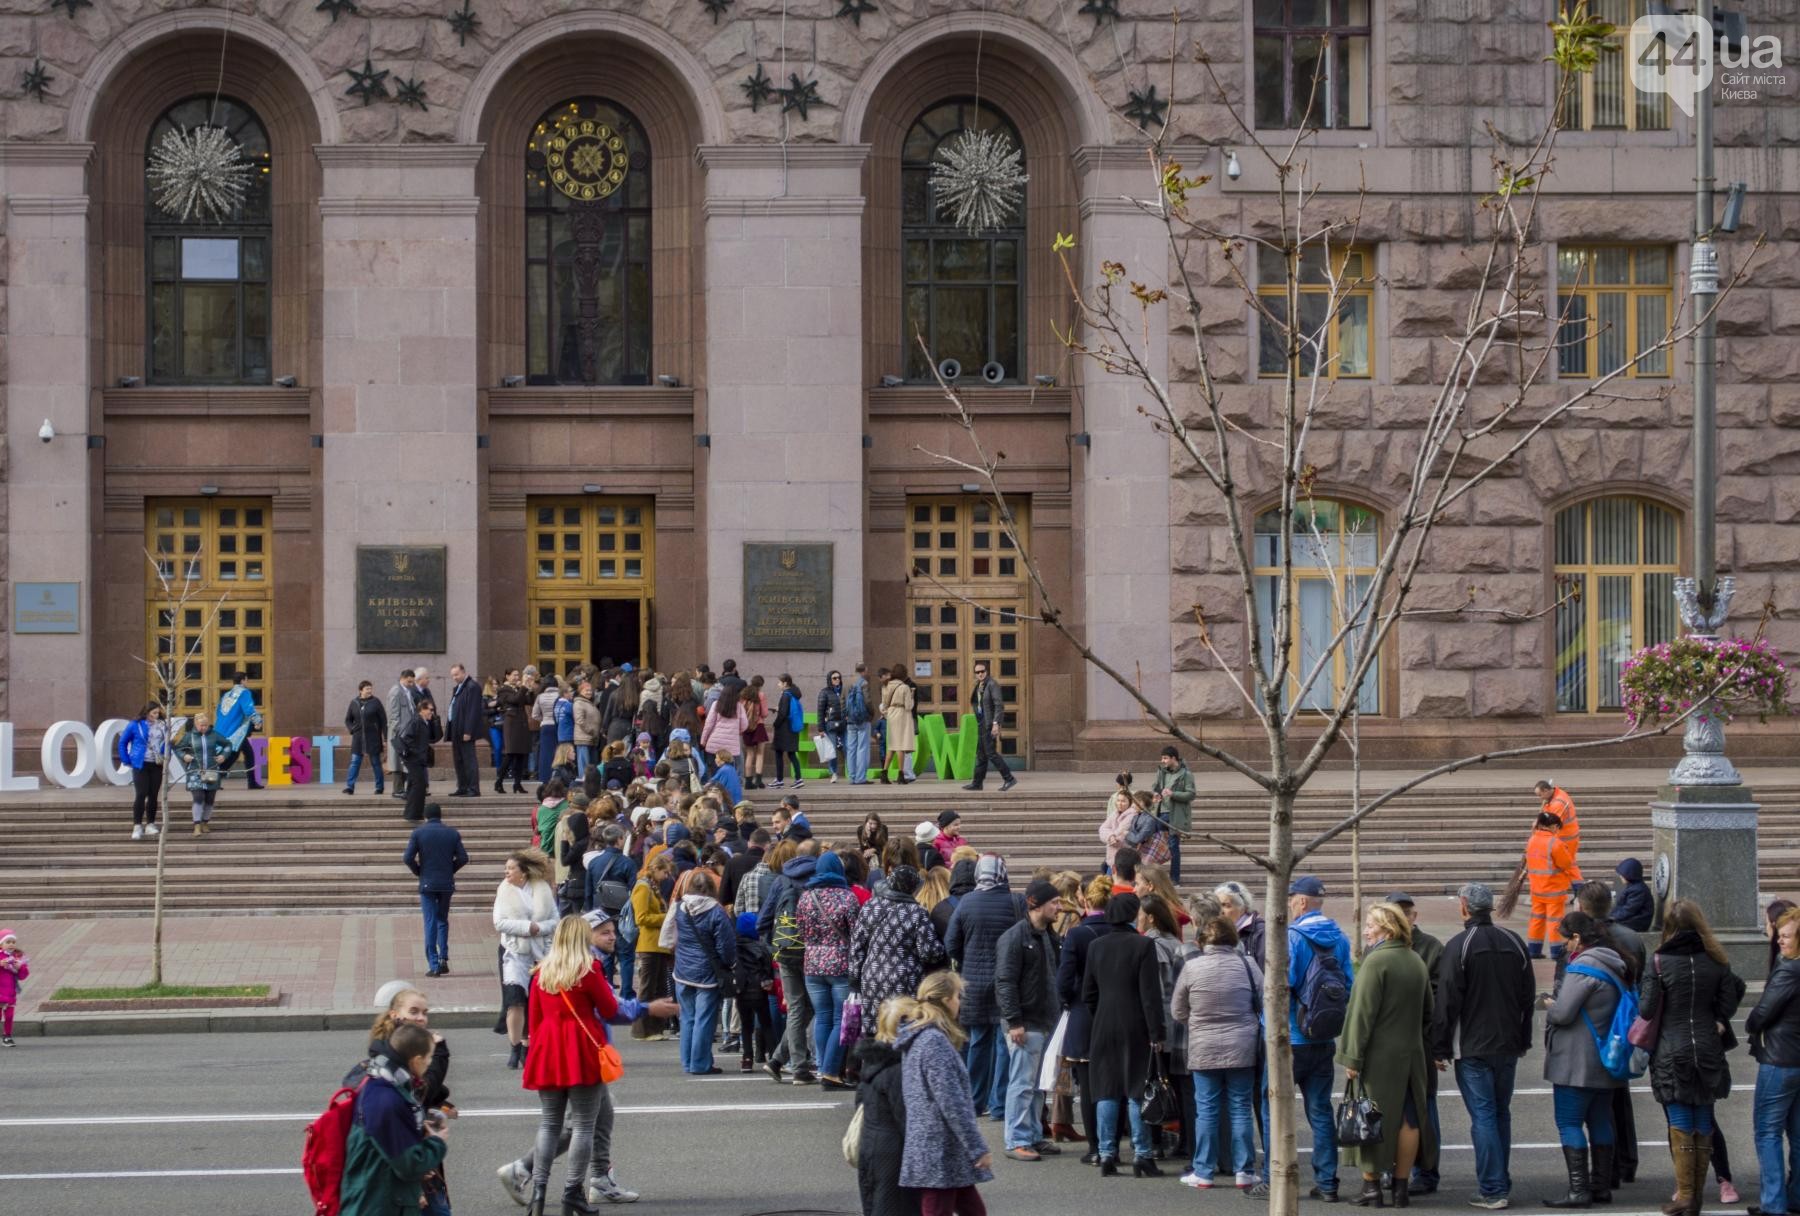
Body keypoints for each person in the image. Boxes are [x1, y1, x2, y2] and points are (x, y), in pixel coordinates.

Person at [1431, 881, 1534, 1211]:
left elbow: (1446, 1001)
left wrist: (1440, 1046)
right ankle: (1499, 1181)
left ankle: (1493, 1188)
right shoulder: (1513, 942)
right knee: (1500, 1114)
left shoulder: (1460, 945)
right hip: (1507, 1043)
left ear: (1464, 907)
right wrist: (1524, 1038)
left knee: (1485, 1116)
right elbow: (1526, 996)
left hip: (1473, 1045)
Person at [1642, 899, 1747, 1216]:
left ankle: (1686, 1196)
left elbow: (1646, 1009)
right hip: (1706, 1046)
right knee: (1703, 1119)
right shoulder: (1716, 959)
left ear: (1669, 927)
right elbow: (1730, 999)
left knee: (1680, 1120)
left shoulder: (1659, 961)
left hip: (1671, 1047)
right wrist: (1715, 1017)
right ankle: (1696, 1197)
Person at [1337, 902, 1436, 1209]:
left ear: (1387, 929)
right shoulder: (1415, 960)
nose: (1365, 930)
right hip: (1411, 1053)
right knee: (1408, 1118)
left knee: (1371, 1117)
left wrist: (1351, 1057)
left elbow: (1361, 1014)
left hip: (1378, 1055)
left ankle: (1371, 1187)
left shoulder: (1376, 962)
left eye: (1370, 925)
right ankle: (1401, 1187)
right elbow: (1428, 1012)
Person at [520, 916, 618, 1216]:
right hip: (581, 1050)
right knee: (583, 1127)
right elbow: (609, 1009)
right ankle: (572, 1192)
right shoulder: (589, 970)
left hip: (547, 1050)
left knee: (549, 1124)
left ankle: (538, 1193)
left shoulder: (540, 973)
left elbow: (534, 1021)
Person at [1541, 910, 1633, 1209]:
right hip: (1606, 1059)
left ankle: (1579, 1190)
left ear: (1577, 938)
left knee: (1569, 1122)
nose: (1564, 946)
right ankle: (1601, 1186)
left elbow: (1564, 1013)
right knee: (1599, 1120)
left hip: (1575, 1062)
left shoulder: (1583, 969)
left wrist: (1549, 1005)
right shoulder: (1616, 964)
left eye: (1565, 940)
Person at [1172, 915, 1263, 1190]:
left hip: (1203, 1045)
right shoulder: (1247, 964)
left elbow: (1177, 1010)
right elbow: (1264, 997)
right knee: (1240, 1108)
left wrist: (1198, 1023)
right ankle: (1244, 1169)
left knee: (1207, 1109)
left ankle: (1203, 1170)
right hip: (1243, 1044)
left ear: (1202, 942)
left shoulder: (1192, 967)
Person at [893, 971, 995, 1215]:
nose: (960, 1002)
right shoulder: (934, 1042)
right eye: (958, 996)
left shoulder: (918, 1037)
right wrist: (977, 1147)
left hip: (937, 1146)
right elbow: (952, 1102)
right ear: (947, 1000)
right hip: (940, 1149)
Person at [1081, 892, 1163, 1177]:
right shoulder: (1143, 945)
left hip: (1104, 1021)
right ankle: (1142, 1153)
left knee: (1107, 1089)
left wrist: (1099, 1012)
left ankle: (1106, 1154)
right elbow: (1150, 995)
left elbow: (1088, 993)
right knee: (1135, 1090)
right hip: (1136, 1022)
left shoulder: (1096, 946)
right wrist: (1157, 1031)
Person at [1287, 874, 1355, 1202]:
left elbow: (1282, 987)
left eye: (1290, 900)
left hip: (1292, 1039)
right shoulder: (1340, 938)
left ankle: (1279, 1179)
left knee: (1274, 1107)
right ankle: (1327, 1182)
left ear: (1301, 902)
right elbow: (1349, 986)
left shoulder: (1293, 937)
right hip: (1323, 1037)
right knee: (1320, 1109)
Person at [338, 1022, 448, 1216]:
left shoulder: (383, 1082)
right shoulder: (386, 1099)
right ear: (416, 1061)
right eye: (429, 1058)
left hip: (375, 1200)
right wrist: (436, 1143)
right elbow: (408, 1165)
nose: (430, 1063)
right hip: (377, 1206)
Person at [945, 855, 1024, 1121]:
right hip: (1007, 981)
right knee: (1004, 1042)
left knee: (978, 1041)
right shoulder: (1015, 902)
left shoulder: (967, 902)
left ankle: (974, 1101)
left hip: (974, 981)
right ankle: (999, 1104)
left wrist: (966, 960)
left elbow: (951, 943)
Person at [993, 878, 1064, 1162]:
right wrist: (1014, 1021)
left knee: (1036, 1084)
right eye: (1054, 903)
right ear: (1036, 904)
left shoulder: (1046, 935)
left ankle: (1032, 1135)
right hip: (1027, 1020)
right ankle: (1018, 1139)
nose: (1059, 907)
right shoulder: (1015, 938)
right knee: (1023, 1083)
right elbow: (1005, 981)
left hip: (1044, 1018)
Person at [1389, 892, 1446, 1197]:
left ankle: (1426, 1171)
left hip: (1420, 1042)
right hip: (1395, 1042)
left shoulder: (1431, 947)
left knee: (1424, 1108)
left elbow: (1438, 1001)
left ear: (1413, 916)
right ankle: (1396, 1169)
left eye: (1403, 915)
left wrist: (1438, 1045)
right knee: (1395, 1108)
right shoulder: (1382, 947)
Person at [1747, 907, 1800, 1216]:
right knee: (1797, 1132)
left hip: (1780, 1059)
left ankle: (1773, 1203)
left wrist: (1752, 1025)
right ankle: (1794, 1197)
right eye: (1779, 935)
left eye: (1786, 936)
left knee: (1766, 1132)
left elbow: (1761, 1014)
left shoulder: (1789, 970)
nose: (1780, 941)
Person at [759, 839, 821, 1083]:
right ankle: (799, 1068)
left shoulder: (781, 880)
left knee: (798, 1008)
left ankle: (777, 1060)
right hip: (813, 951)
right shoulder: (818, 879)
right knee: (809, 1008)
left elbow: (762, 920)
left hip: (785, 952)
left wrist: (773, 946)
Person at [798, 851, 861, 1089]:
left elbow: (801, 929)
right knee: (840, 1018)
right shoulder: (848, 897)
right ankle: (831, 1071)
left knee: (822, 1017)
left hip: (812, 962)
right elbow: (856, 932)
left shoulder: (806, 897)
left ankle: (824, 1066)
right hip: (840, 962)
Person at [850, 864, 947, 1015]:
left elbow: (857, 946)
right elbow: (928, 952)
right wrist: (943, 948)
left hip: (871, 976)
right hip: (905, 979)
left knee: (878, 1028)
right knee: (901, 1026)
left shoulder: (870, 906)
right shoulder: (917, 912)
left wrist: (854, 978)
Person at [493, 850, 558, 1070]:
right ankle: (514, 1047)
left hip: (540, 953)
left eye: (511, 868)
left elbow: (555, 921)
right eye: (506, 868)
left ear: (524, 871)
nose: (506, 872)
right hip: (513, 952)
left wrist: (540, 928)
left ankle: (528, 1044)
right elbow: (499, 923)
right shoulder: (504, 891)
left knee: (535, 1003)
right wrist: (526, 928)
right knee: (515, 1002)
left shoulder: (542, 890)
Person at [854, 999, 918, 1216]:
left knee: (875, 1204)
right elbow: (906, 1119)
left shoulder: (873, 1062)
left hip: (871, 1146)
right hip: (895, 1153)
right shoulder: (899, 1069)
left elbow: (860, 1106)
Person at [669, 868, 735, 1076]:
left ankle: (687, 1061)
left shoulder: (679, 907)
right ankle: (700, 1063)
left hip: (683, 969)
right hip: (707, 971)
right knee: (704, 1019)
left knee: (687, 1017)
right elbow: (725, 945)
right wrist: (729, 965)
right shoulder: (716, 911)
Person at [404, 804, 468, 977]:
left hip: (427, 883)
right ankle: (443, 958)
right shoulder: (452, 833)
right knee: (442, 920)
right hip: (446, 883)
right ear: (440, 816)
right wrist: (450, 869)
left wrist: (419, 871)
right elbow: (463, 857)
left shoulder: (418, 833)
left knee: (430, 921)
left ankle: (433, 964)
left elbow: (407, 857)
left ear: (425, 816)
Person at [628, 853, 674, 1040]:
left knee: (659, 989)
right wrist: (667, 917)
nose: (666, 876)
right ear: (655, 869)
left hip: (658, 945)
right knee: (647, 989)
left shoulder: (653, 887)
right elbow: (641, 918)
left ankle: (656, 1029)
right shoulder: (643, 888)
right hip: (649, 945)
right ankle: (641, 1030)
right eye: (664, 872)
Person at [1525, 809, 1580, 960]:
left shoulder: (1532, 840)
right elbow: (1566, 863)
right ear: (1553, 826)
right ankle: (1556, 952)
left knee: (1537, 919)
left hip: (1536, 889)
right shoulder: (1555, 843)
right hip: (1553, 889)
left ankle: (1533, 950)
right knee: (1554, 921)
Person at [960, 660, 1016, 792]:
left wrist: (996, 724)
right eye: (977, 672)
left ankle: (1009, 778)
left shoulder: (992, 684)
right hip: (981, 723)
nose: (980, 674)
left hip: (989, 724)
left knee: (991, 753)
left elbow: (999, 705)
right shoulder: (980, 685)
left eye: (982, 671)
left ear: (987, 672)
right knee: (981, 754)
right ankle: (977, 783)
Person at [174, 711, 232, 837]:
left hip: (212, 770)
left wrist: (223, 755)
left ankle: (205, 822)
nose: (204, 728)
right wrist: (184, 756)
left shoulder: (215, 735)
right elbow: (178, 748)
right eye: (201, 725)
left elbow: (228, 745)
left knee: (210, 799)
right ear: (195, 724)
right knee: (198, 797)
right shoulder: (189, 736)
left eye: (206, 725)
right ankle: (196, 825)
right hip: (195, 771)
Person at [733, 910, 777, 1071]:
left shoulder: (734, 946)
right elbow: (767, 968)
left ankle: (747, 1058)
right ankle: (773, 1056)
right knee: (766, 1023)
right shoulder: (761, 947)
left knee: (746, 1025)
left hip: (741, 990)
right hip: (759, 990)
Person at [119, 701, 168, 838]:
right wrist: (126, 759)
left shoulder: (163, 725)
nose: (156, 715)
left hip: (156, 763)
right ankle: (137, 826)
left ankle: (150, 824)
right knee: (141, 793)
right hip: (140, 763)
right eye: (154, 713)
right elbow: (123, 742)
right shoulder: (135, 725)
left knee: (153, 795)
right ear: (146, 712)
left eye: (158, 713)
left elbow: (167, 742)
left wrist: (164, 752)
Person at [1150, 746, 1195, 883]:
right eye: (1162, 758)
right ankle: (1154, 876)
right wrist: (1157, 793)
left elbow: (1191, 794)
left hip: (1175, 815)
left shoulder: (1186, 774)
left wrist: (1173, 794)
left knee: (1173, 846)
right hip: (1160, 812)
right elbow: (1155, 786)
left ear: (1173, 758)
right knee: (1155, 844)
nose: (1162, 760)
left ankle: (1175, 879)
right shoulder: (1161, 771)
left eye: (1165, 758)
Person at [214, 668, 264, 789]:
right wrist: (258, 721)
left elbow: (218, 712)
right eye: (247, 680)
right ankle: (215, 779)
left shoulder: (226, 694)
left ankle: (215, 780)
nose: (247, 682)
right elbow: (248, 709)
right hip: (236, 731)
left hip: (223, 729)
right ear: (243, 680)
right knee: (240, 755)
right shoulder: (244, 692)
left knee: (238, 754)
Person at [441, 664, 483, 798]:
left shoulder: (472, 687)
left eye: (456, 674)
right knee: (458, 759)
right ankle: (462, 786)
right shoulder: (458, 688)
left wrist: (468, 731)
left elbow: (473, 711)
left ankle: (473, 788)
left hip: (465, 730)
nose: (454, 677)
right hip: (456, 728)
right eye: (452, 675)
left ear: (464, 672)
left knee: (469, 759)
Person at [399, 700, 442, 825]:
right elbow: (406, 738)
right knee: (419, 784)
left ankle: (412, 813)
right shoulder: (416, 721)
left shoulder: (425, 722)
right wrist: (416, 753)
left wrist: (436, 722)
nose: (432, 712)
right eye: (430, 709)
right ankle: (414, 813)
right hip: (413, 759)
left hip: (419, 759)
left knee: (415, 785)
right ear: (422, 710)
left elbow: (435, 738)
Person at [344, 680, 389, 796]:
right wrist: (352, 729)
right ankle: (350, 787)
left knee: (376, 763)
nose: (370, 691)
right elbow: (348, 719)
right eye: (367, 689)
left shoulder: (376, 702)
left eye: (370, 688)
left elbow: (384, 721)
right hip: (358, 738)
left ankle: (379, 787)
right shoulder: (354, 702)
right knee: (355, 762)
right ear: (361, 691)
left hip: (373, 738)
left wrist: (385, 738)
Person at [1215, 880, 1267, 969]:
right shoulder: (1215, 932)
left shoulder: (1260, 932)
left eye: (1226, 905)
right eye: (1218, 906)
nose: (1220, 911)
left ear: (1243, 908)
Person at [497, 669, 533, 794]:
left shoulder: (518, 688)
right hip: (511, 725)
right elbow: (515, 700)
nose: (517, 677)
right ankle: (499, 781)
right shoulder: (503, 689)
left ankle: (517, 784)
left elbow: (529, 701)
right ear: (507, 676)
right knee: (510, 754)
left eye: (518, 675)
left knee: (521, 755)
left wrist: (530, 688)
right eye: (514, 675)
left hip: (521, 724)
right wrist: (523, 687)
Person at [1536, 779, 1583, 872]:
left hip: (1566, 839)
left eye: (1540, 795)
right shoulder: (1557, 792)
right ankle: (1576, 884)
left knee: (1568, 865)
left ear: (1546, 790)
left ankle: (1578, 885)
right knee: (1568, 864)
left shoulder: (1557, 804)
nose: (1540, 798)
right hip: (1566, 837)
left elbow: (1551, 825)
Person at [881, 666, 917, 783]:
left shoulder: (886, 686)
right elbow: (908, 706)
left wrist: (888, 713)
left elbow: (884, 705)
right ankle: (901, 775)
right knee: (900, 746)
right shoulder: (904, 687)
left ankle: (884, 774)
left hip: (891, 715)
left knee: (891, 747)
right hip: (901, 716)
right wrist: (912, 696)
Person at [387, 668, 419, 799]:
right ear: (403, 678)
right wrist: (399, 733)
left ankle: (402, 789)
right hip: (399, 734)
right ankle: (397, 790)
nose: (412, 684)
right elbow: (393, 715)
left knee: (405, 761)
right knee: (397, 762)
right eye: (409, 682)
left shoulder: (407, 691)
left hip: (407, 734)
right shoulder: (396, 691)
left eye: (412, 682)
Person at [771, 673, 807, 789]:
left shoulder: (786, 695)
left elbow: (783, 713)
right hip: (791, 728)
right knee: (791, 753)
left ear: (785, 683)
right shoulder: (793, 694)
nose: (778, 684)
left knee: (778, 753)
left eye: (779, 682)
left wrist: (775, 723)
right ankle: (798, 779)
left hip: (784, 729)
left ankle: (780, 780)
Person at [845, 663, 874, 785]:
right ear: (865, 670)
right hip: (862, 719)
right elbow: (867, 701)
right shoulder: (863, 683)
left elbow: (842, 700)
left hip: (850, 719)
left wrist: (845, 715)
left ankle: (852, 777)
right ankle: (860, 777)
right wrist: (872, 713)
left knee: (851, 749)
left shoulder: (847, 682)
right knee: (862, 748)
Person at [817, 669, 847, 784]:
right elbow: (820, 711)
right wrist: (821, 728)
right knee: (832, 749)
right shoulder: (824, 692)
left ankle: (851, 772)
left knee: (847, 747)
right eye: (834, 678)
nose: (837, 680)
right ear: (830, 679)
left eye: (839, 677)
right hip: (831, 724)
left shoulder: (844, 690)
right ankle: (833, 772)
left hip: (844, 724)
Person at [1099, 782, 1134, 875]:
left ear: (1129, 802)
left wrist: (1112, 836)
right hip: (1112, 858)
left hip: (1124, 857)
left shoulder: (1132, 815)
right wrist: (1110, 836)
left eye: (1123, 801)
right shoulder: (1114, 813)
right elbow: (1103, 828)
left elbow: (1120, 834)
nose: (1120, 803)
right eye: (1118, 800)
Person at [0, 929, 27, 1046]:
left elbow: (22, 976)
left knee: (9, 1016)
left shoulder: (18, 957)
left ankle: (7, 1036)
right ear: (1, 944)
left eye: (13, 942)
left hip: (10, 992)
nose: (11, 944)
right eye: (8, 942)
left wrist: (20, 967)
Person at [1614, 859, 1653, 932]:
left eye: (1622, 875)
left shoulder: (1637, 890)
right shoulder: (1634, 887)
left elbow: (1628, 910)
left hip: (1637, 923)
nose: (1620, 877)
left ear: (1629, 876)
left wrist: (1611, 918)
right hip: (1632, 920)